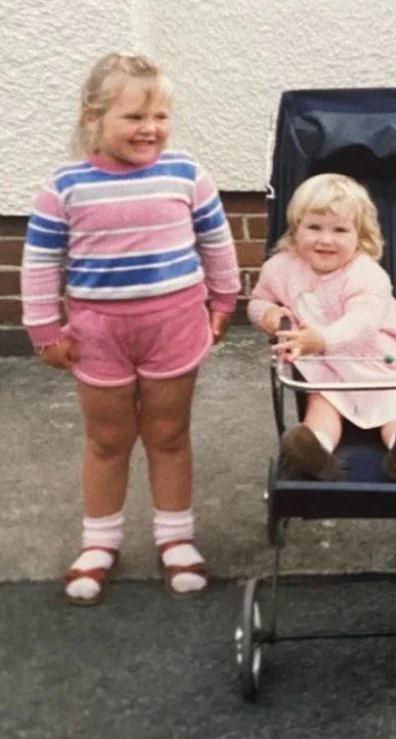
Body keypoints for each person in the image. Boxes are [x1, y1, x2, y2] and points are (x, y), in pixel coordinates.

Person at [21, 52, 241, 605]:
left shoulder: (187, 174)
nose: (150, 130)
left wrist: (225, 299)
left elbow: (216, 242)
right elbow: (41, 261)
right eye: (134, 117)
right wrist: (44, 329)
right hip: (98, 337)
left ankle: (176, 538)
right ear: (94, 117)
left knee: (168, 435)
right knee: (107, 440)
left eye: (160, 117)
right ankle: (99, 543)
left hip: (174, 326)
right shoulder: (65, 186)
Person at [248, 173, 396, 481]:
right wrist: (268, 313)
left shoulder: (366, 274)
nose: (326, 239)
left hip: (382, 361)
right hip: (328, 367)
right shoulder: (280, 268)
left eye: (339, 230)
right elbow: (257, 301)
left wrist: (322, 339)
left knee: (395, 403)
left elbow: (362, 324)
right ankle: (316, 451)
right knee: (323, 402)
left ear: (359, 237)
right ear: (296, 229)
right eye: (313, 227)